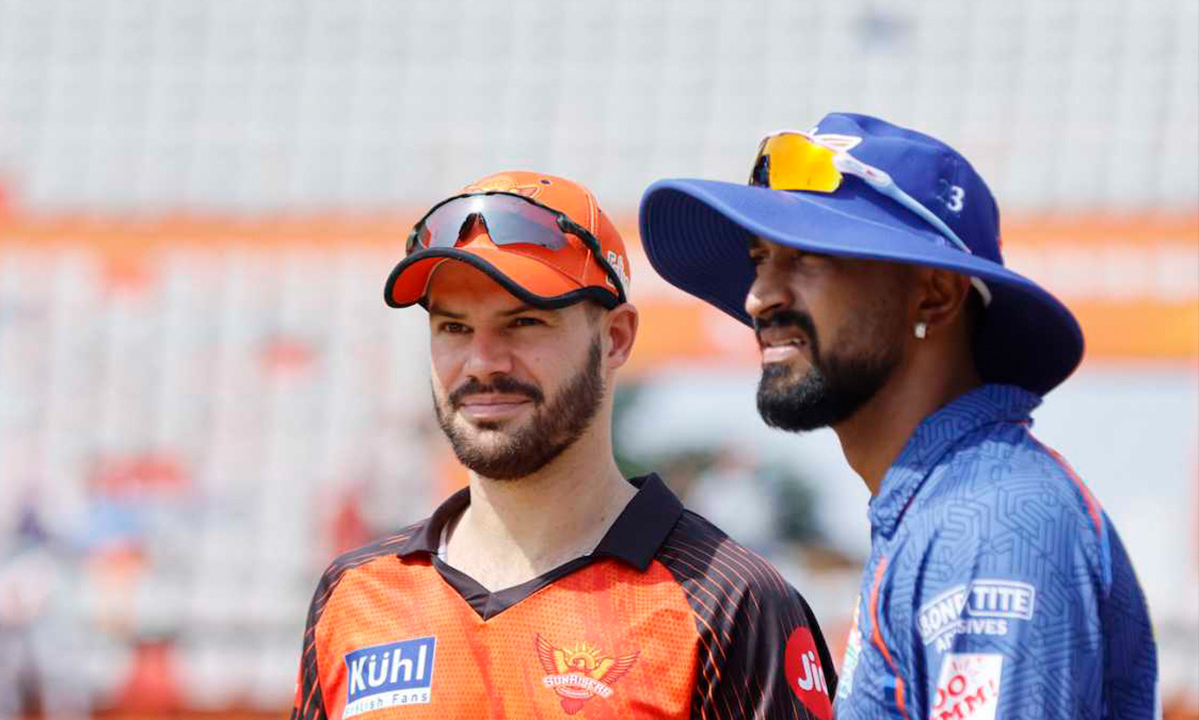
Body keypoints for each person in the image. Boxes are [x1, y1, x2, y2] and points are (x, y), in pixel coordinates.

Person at [638, 114, 1158, 720]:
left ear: (933, 296)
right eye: (761, 258)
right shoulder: (943, 507)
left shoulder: (988, 521)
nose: (759, 296)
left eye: (807, 258)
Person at [289, 171, 836, 719]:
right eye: (453, 328)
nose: (482, 363)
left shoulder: (728, 601)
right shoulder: (356, 594)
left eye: (524, 322)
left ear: (615, 338)